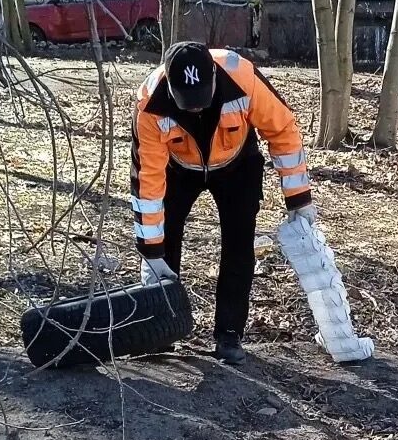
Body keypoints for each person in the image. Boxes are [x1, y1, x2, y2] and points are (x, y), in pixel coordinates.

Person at [130, 41, 316, 365]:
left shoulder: (241, 77)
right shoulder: (150, 103)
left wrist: (298, 200)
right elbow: (147, 181)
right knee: (166, 240)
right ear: (170, 86)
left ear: (214, 77)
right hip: (178, 169)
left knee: (239, 244)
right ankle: (160, 328)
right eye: (187, 103)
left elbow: (283, 130)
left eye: (201, 99)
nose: (196, 109)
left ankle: (229, 334)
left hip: (237, 165)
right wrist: (151, 252)